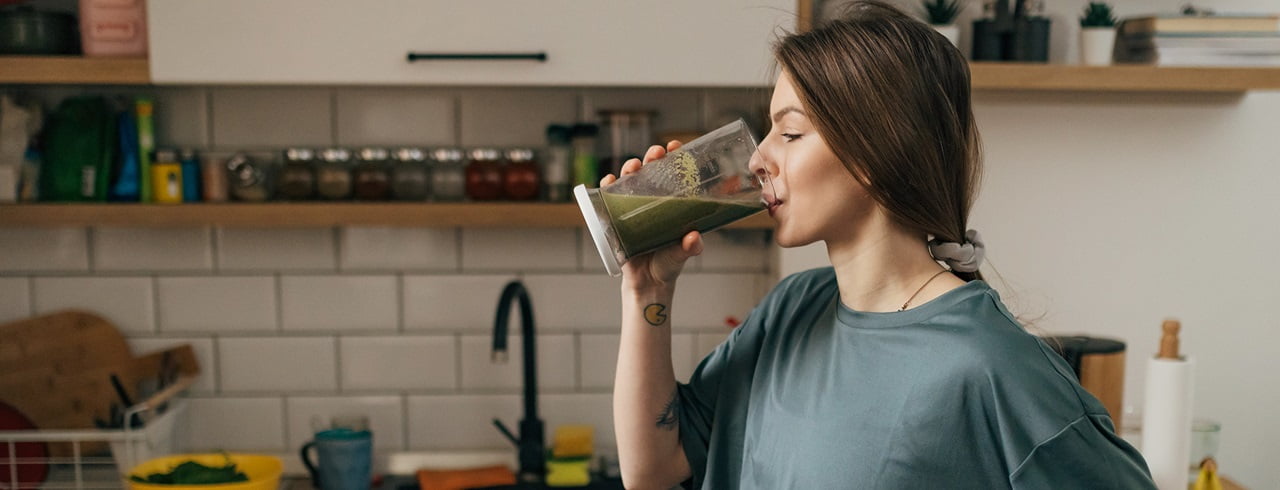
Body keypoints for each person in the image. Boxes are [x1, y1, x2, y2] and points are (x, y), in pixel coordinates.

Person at [604, 2, 1156, 489]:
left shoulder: (989, 364)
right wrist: (647, 290)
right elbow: (653, 468)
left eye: (790, 133)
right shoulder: (790, 309)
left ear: (874, 152)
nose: (757, 159)